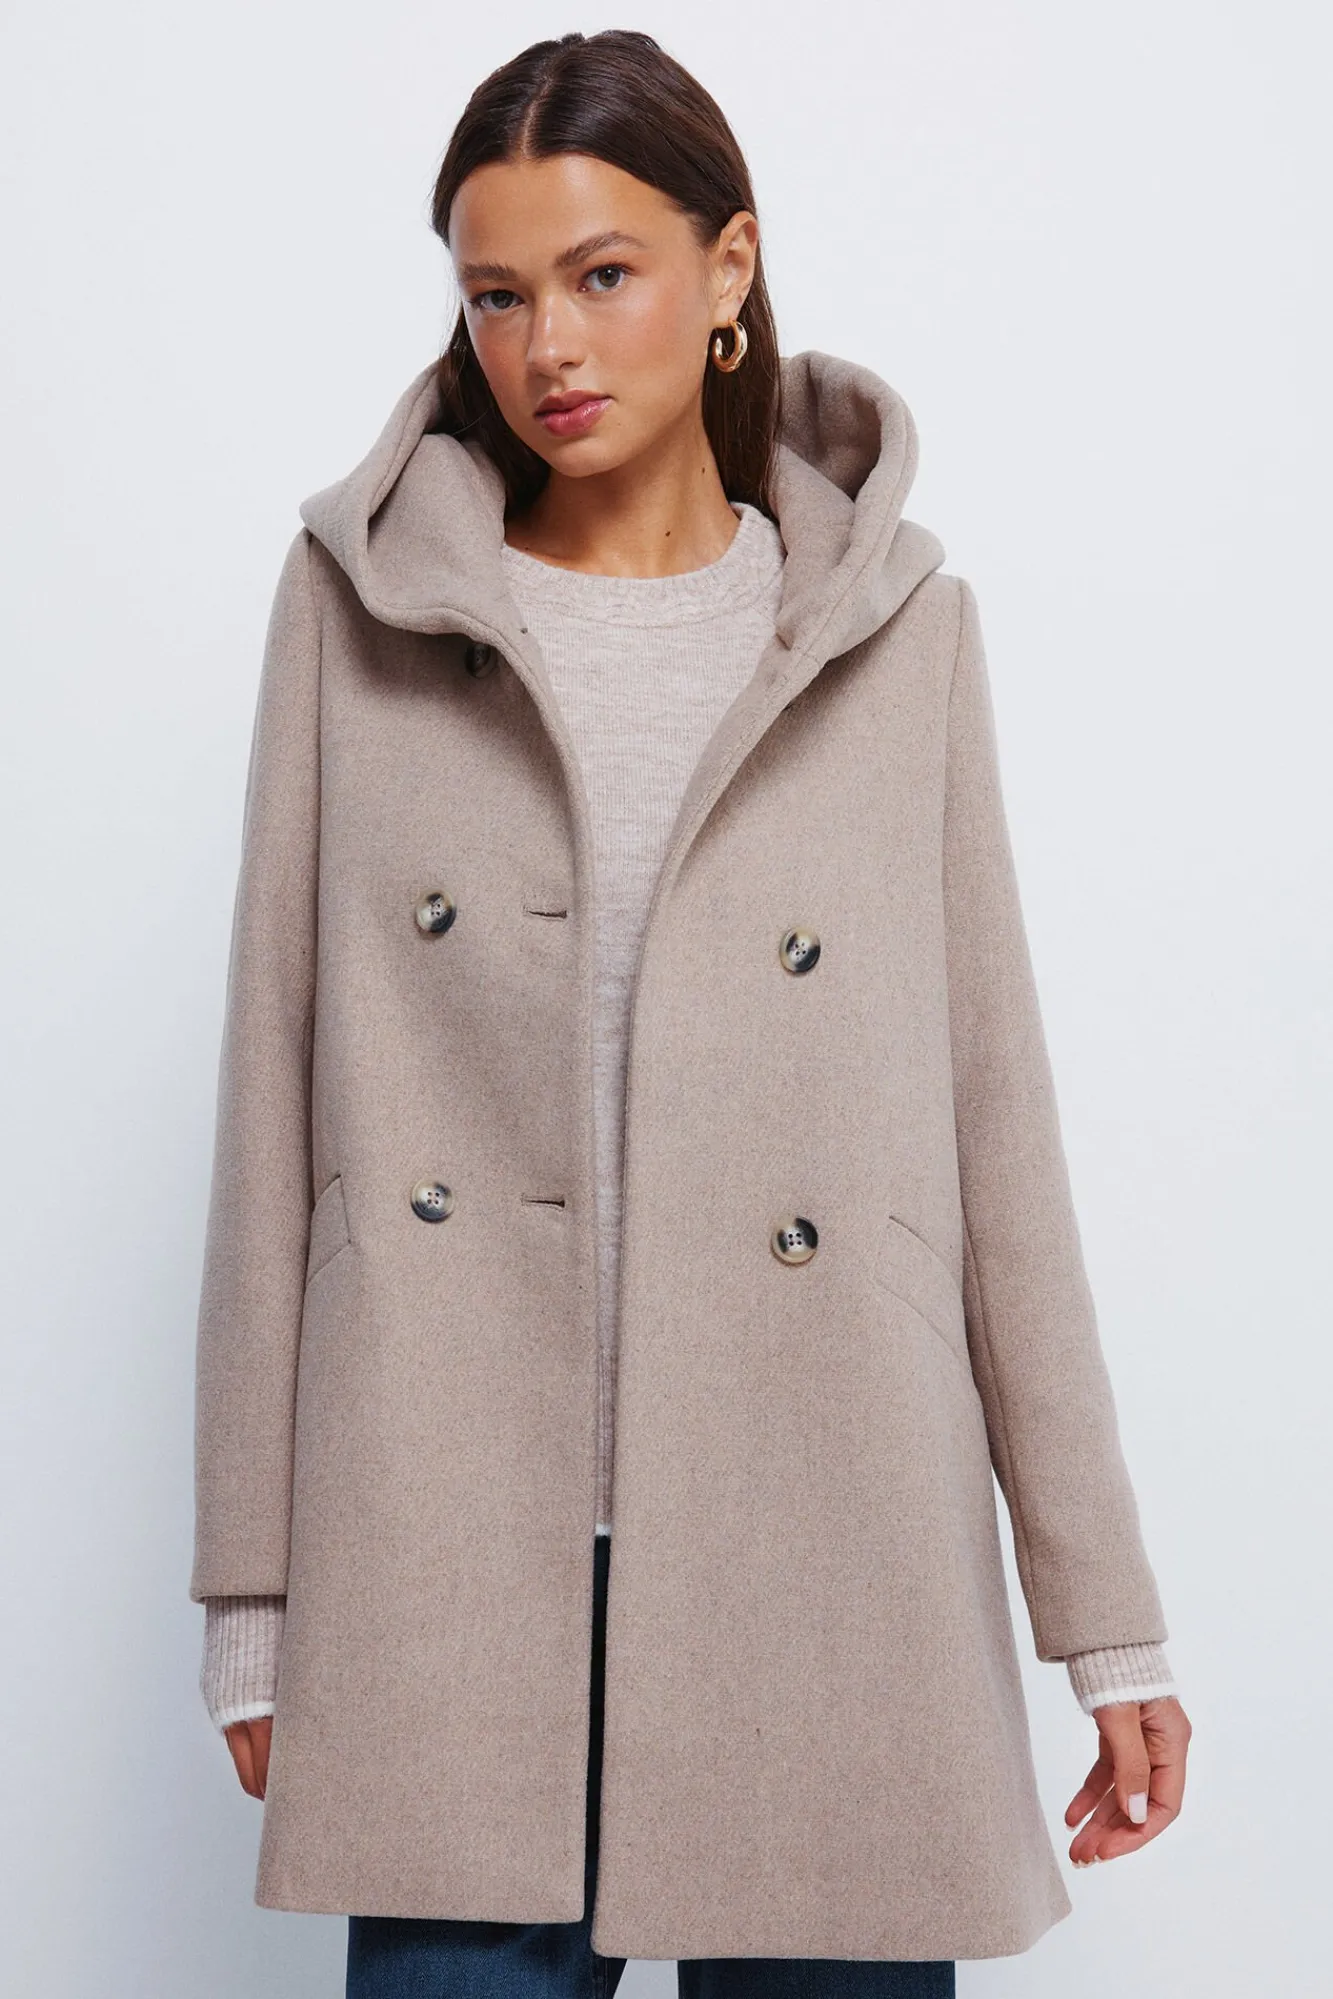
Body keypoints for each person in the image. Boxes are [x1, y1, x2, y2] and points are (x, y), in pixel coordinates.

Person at [190, 28, 1191, 1998]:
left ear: (730, 267)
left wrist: (1109, 1620)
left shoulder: (896, 636)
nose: (547, 344)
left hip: (826, 1535)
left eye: (603, 273)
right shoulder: (354, 616)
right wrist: (253, 1601)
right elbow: (268, 1108)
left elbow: (998, 1139)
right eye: (497, 293)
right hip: (450, 1552)